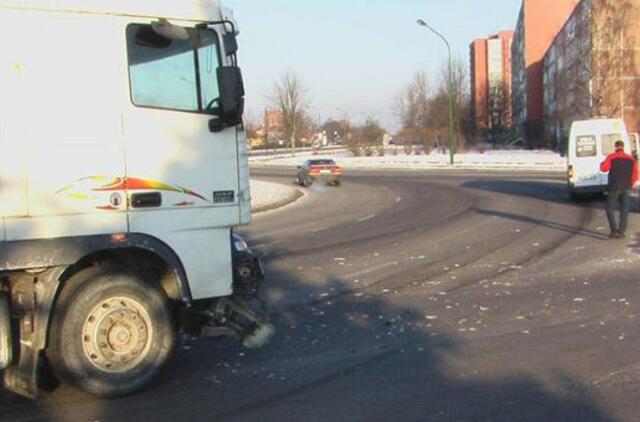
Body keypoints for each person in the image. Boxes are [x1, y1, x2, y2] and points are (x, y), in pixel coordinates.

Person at [600, 140, 639, 239]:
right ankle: (621, 232)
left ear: (615, 147)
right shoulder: (631, 159)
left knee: (609, 209)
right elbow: (635, 174)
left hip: (614, 187)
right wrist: (630, 183)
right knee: (624, 210)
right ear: (623, 147)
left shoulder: (611, 157)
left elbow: (604, 168)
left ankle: (614, 229)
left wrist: (601, 164)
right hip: (626, 187)